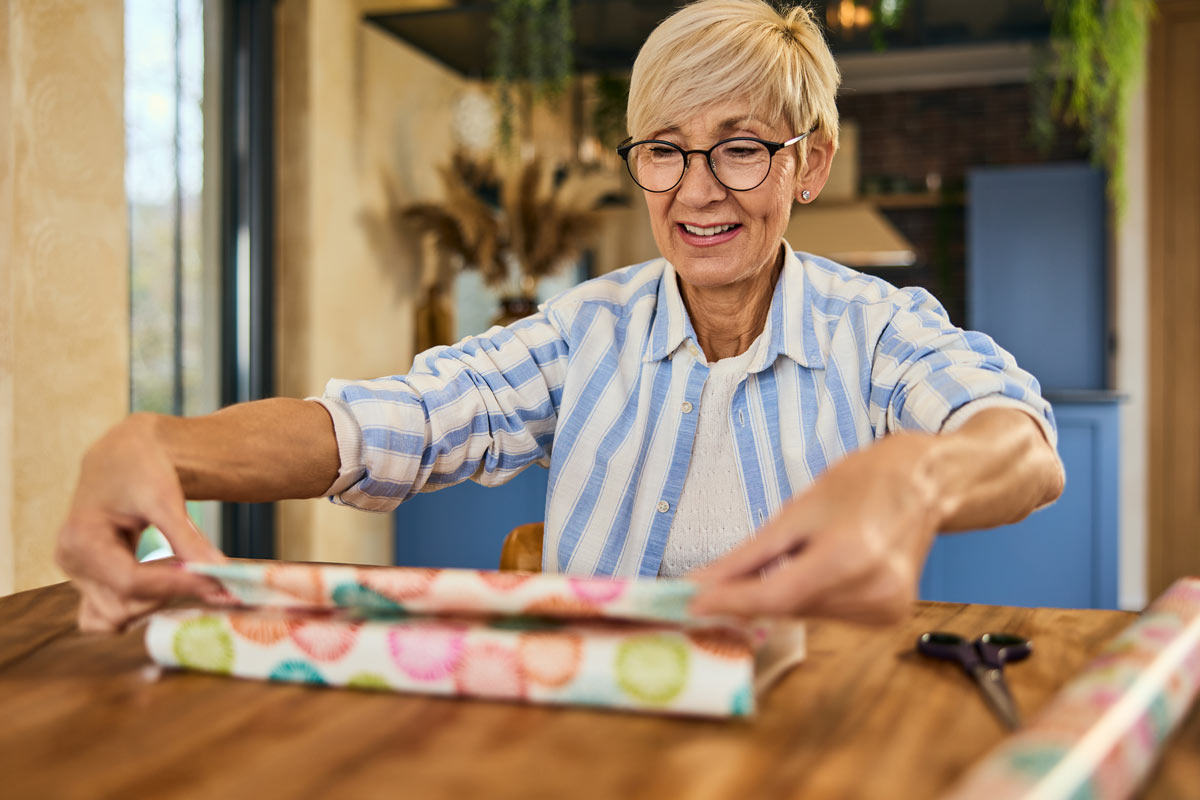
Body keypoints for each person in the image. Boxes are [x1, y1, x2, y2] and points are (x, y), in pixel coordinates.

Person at [55, 0, 1063, 633]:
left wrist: (913, 474)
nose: (696, 189)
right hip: (604, 724)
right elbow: (393, 421)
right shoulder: (589, 329)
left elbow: (1021, 441)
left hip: (818, 729)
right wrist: (163, 443)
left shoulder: (878, 327)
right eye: (663, 148)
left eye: (741, 146)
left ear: (808, 162)